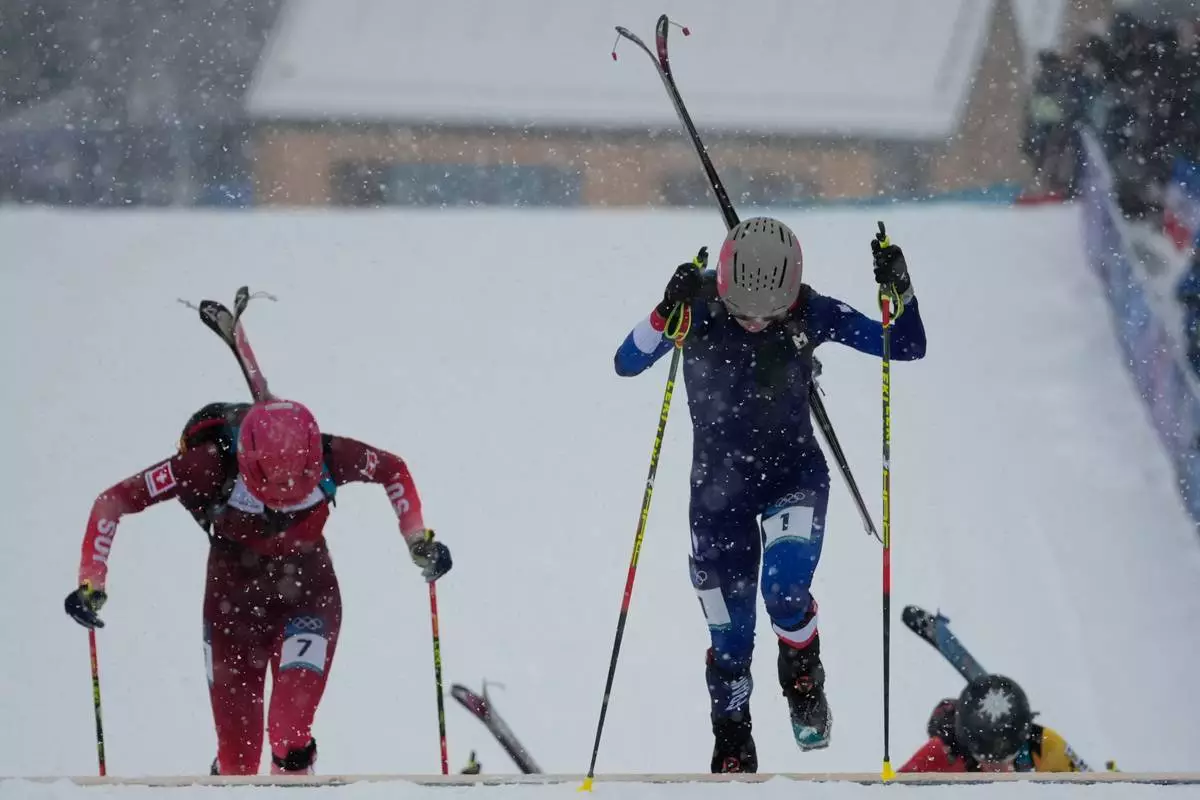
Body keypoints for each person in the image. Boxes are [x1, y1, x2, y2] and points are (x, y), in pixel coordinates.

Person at [612, 217, 927, 772]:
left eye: (770, 314)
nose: (756, 323)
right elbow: (627, 360)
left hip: (793, 479)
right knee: (730, 635)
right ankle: (732, 733)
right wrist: (667, 310)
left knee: (783, 590)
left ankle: (803, 676)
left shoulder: (812, 311)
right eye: (744, 312)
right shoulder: (699, 303)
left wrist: (898, 287)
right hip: (717, 495)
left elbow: (906, 344)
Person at [64, 398, 453, 776]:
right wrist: (91, 580)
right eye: (269, 489)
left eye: (299, 487)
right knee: (239, 764)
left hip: (308, 601)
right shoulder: (206, 465)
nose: (284, 498)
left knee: (289, 732)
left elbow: (393, 469)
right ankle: (229, 780)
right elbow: (112, 501)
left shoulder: (331, 453)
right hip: (232, 613)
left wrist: (418, 540)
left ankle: (292, 776)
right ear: (248, 464)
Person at [900, 673, 1094, 773]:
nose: (999, 770)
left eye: (1007, 758)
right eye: (986, 760)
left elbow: (1094, 788)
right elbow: (890, 792)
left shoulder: (1045, 746)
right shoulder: (943, 753)